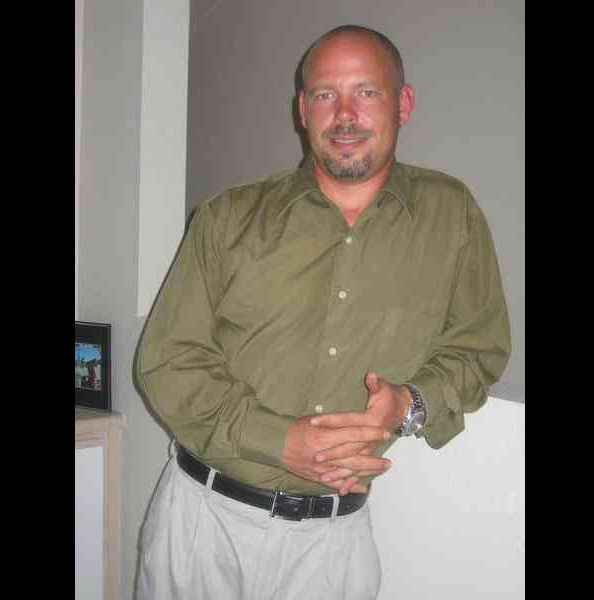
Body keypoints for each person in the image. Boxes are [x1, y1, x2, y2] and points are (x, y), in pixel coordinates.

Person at [133, 24, 511, 600]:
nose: (345, 115)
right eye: (325, 94)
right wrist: (278, 439)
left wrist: (407, 405)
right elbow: (166, 362)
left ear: (403, 103)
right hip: (201, 528)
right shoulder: (226, 218)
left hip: (331, 548)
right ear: (302, 109)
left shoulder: (452, 216)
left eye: (367, 92)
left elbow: (477, 351)